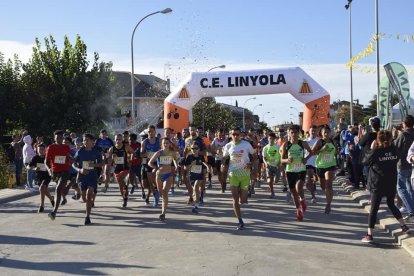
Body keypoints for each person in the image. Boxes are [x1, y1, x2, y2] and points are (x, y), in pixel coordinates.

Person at [360, 130, 410, 243]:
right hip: (391, 182)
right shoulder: (394, 150)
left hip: (377, 184)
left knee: (374, 209)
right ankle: (403, 226)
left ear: (378, 139)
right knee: (391, 203)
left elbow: (364, 161)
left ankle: (369, 235)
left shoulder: (376, 151)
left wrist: (371, 148)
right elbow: (398, 156)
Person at [223, 127, 256, 230]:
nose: (236, 136)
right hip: (233, 174)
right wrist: (223, 164)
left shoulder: (246, 144)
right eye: (233, 134)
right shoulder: (228, 146)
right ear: (230, 135)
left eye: (237, 134)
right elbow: (224, 157)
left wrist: (251, 164)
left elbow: (254, 156)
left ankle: (247, 190)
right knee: (235, 199)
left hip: (245, 174)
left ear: (240, 135)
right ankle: (240, 221)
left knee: (243, 200)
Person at [281, 124, 312, 221]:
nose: (294, 134)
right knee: (293, 192)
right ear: (289, 133)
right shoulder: (286, 144)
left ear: (299, 133)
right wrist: (287, 160)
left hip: (301, 169)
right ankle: (298, 209)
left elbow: (311, 152)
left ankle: (302, 200)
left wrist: (306, 159)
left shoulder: (303, 143)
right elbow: (281, 160)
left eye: (296, 132)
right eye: (292, 132)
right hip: (290, 171)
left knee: (299, 187)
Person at [73, 133, 103, 225]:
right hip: (83, 177)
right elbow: (73, 164)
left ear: (92, 142)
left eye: (87, 140)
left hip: (92, 176)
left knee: (89, 195)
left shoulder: (96, 151)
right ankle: (88, 203)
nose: (85, 142)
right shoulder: (80, 151)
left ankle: (87, 216)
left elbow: (101, 164)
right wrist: (80, 170)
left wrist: (94, 165)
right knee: (84, 198)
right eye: (84, 140)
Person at [45, 130, 72, 221]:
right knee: (60, 191)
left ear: (62, 138)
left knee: (58, 189)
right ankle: (67, 189)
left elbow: (70, 157)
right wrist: (49, 169)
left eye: (61, 138)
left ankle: (54, 212)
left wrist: (72, 159)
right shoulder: (51, 147)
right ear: (54, 138)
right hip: (55, 172)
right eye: (57, 138)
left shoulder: (66, 147)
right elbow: (46, 161)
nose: (59, 140)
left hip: (65, 171)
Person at [149, 138, 178, 221]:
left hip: (168, 175)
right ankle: (160, 198)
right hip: (159, 176)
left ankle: (163, 213)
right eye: (164, 143)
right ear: (162, 144)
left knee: (165, 192)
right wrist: (155, 167)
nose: (166, 144)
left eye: (167, 143)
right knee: (161, 194)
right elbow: (149, 162)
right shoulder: (158, 153)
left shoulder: (172, 153)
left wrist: (176, 166)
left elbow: (175, 160)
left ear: (169, 144)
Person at [311, 125, 337, 214]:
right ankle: (315, 180)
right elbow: (312, 152)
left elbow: (336, 152)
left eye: (328, 132)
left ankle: (328, 204)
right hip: (320, 166)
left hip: (331, 165)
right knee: (323, 186)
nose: (326, 134)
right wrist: (321, 149)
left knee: (329, 184)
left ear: (330, 133)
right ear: (321, 133)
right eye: (324, 132)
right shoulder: (319, 142)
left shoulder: (333, 141)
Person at [393, 115, 414, 218]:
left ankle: (410, 209)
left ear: (404, 124)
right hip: (411, 165)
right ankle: (411, 207)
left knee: (400, 187)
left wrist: (394, 136)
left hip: (402, 165)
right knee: (409, 186)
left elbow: (395, 148)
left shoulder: (403, 135)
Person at [108, 134, 135, 207]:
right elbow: (109, 159)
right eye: (116, 139)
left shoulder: (125, 147)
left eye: (119, 139)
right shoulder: (112, 149)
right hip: (116, 169)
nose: (118, 141)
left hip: (124, 167)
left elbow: (133, 152)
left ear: (122, 140)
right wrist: (112, 158)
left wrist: (131, 160)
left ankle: (125, 188)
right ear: (114, 140)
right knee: (120, 185)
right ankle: (124, 198)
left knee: (121, 179)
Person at [28, 144, 54, 212]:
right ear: (37, 150)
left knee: (42, 188)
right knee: (43, 190)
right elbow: (28, 167)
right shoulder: (35, 158)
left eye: (42, 149)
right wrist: (34, 168)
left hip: (47, 175)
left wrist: (51, 170)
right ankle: (51, 199)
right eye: (39, 149)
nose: (41, 151)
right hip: (39, 176)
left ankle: (41, 206)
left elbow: (53, 165)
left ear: (45, 150)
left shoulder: (47, 157)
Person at [184, 141, 208, 213]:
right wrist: (191, 164)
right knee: (195, 191)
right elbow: (185, 167)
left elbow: (204, 166)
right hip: (191, 176)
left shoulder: (201, 157)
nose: (194, 150)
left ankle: (196, 206)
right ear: (190, 149)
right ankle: (198, 199)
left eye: (196, 148)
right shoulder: (189, 157)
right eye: (193, 148)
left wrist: (207, 171)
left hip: (199, 176)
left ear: (199, 149)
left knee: (196, 187)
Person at [141, 125, 161, 206]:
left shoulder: (159, 141)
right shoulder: (145, 142)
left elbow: (163, 151)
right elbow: (141, 154)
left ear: (155, 132)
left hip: (156, 163)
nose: (150, 133)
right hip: (147, 163)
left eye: (152, 131)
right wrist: (144, 154)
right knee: (146, 184)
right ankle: (155, 193)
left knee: (153, 181)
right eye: (149, 131)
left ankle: (156, 197)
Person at [262, 132, 281, 198]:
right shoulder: (265, 148)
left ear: (274, 139)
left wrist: (279, 163)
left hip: (277, 165)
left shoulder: (278, 147)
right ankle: (272, 192)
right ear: (268, 139)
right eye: (270, 138)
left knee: (276, 181)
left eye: (272, 138)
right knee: (270, 180)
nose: (271, 140)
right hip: (269, 166)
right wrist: (265, 163)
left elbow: (281, 156)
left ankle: (275, 179)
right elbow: (264, 158)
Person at [305, 126, 319, 203]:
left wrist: (314, 152)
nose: (313, 132)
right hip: (308, 162)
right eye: (311, 131)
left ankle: (309, 184)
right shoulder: (305, 141)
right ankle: (313, 196)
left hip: (317, 163)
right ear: (309, 132)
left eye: (314, 131)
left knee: (316, 179)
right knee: (310, 177)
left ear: (316, 132)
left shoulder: (319, 141)